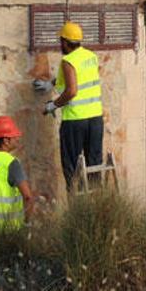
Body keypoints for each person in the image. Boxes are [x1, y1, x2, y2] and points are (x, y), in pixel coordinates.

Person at [33, 21, 104, 189]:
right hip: (95, 119)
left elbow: (72, 91)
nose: (60, 45)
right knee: (94, 163)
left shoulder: (68, 60)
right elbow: (80, 77)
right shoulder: (90, 56)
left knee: (72, 166)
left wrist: (53, 105)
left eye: (61, 41)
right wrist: (51, 84)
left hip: (75, 120)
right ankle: (97, 202)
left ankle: (76, 206)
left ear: (65, 41)